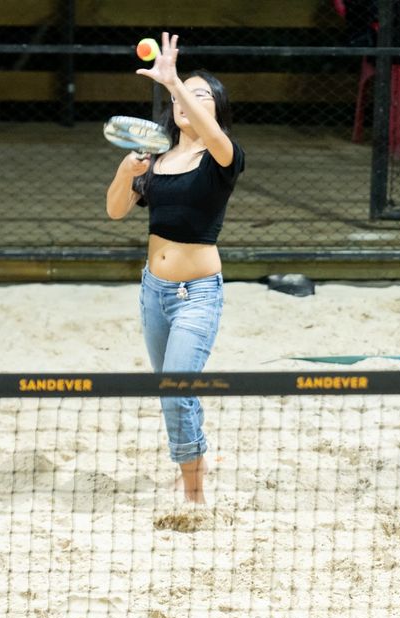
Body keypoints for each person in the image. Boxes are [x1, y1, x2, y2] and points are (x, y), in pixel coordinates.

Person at [105, 33, 245, 503]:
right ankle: (196, 458)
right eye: (186, 93)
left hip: (197, 295)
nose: (189, 100)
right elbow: (115, 211)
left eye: (202, 95)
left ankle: (194, 496)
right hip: (154, 293)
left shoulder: (222, 157)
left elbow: (213, 134)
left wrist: (173, 81)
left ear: (216, 112)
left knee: (174, 391)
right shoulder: (158, 158)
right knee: (174, 392)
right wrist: (126, 173)